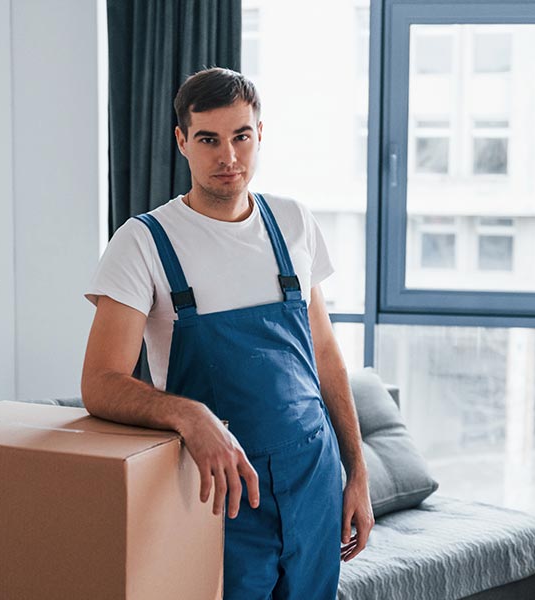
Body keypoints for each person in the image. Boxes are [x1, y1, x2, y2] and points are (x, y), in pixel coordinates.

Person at [81, 67, 374, 599]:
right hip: (221, 493)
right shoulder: (143, 243)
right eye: (208, 140)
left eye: (241, 136)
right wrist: (190, 413)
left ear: (260, 134)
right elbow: (100, 382)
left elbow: (325, 355)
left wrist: (356, 472)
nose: (228, 157)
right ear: (181, 142)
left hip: (314, 479)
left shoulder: (295, 222)